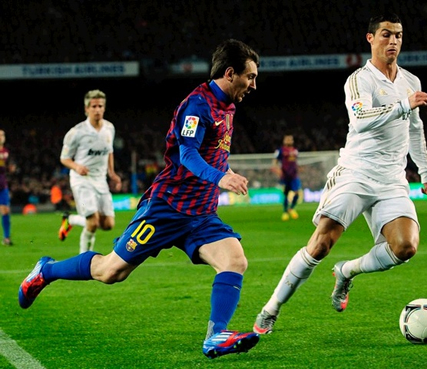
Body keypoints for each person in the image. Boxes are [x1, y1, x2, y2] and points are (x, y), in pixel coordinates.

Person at [19, 39, 260, 359]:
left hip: (201, 213)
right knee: (110, 272)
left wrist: (224, 170)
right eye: (251, 76)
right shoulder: (198, 105)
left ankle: (216, 336)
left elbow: (210, 152)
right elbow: (187, 154)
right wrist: (221, 177)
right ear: (230, 73)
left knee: (234, 260)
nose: (254, 84)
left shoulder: (228, 106)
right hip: (167, 207)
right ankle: (45, 271)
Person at [253, 13, 427, 335]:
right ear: (371, 39)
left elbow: (415, 131)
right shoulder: (359, 80)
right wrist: (403, 105)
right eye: (385, 34)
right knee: (321, 244)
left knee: (405, 247)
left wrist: (425, 171)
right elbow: (362, 120)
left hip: (392, 179)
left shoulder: (411, 81)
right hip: (356, 172)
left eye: (398, 35)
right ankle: (272, 307)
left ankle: (347, 271)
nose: (393, 41)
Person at [58, 89, 122, 254]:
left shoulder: (109, 128)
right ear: (86, 109)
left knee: (108, 225)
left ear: (104, 108)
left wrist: (112, 173)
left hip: (100, 180)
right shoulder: (76, 132)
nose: (97, 109)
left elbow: (109, 152)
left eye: (100, 106)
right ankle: (84, 259)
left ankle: (71, 219)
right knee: (92, 223)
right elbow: (64, 158)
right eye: (93, 106)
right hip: (82, 180)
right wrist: (77, 166)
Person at [272, 134, 301, 221]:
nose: (289, 141)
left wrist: (298, 169)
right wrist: (278, 170)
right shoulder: (280, 150)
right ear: (284, 141)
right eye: (287, 139)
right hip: (285, 176)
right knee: (286, 194)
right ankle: (285, 212)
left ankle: (291, 208)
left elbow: (294, 162)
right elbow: (275, 162)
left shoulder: (295, 150)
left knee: (297, 192)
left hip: (294, 176)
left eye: (290, 139)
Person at [0, 130, 14, 246]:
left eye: (2, 135)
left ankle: (6, 237)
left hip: (2, 185)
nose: (1, 137)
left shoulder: (6, 152)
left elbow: (7, 168)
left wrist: (10, 168)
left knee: (5, 211)